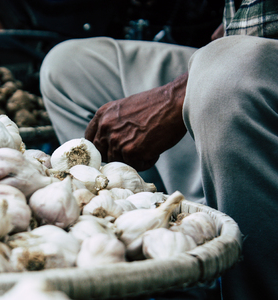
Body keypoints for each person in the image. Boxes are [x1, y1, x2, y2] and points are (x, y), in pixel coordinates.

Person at [39, 0, 278, 299]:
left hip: (245, 70)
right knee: (68, 66)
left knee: (225, 72)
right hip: (247, 59)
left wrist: (174, 97)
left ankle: (251, 285)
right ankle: (170, 245)